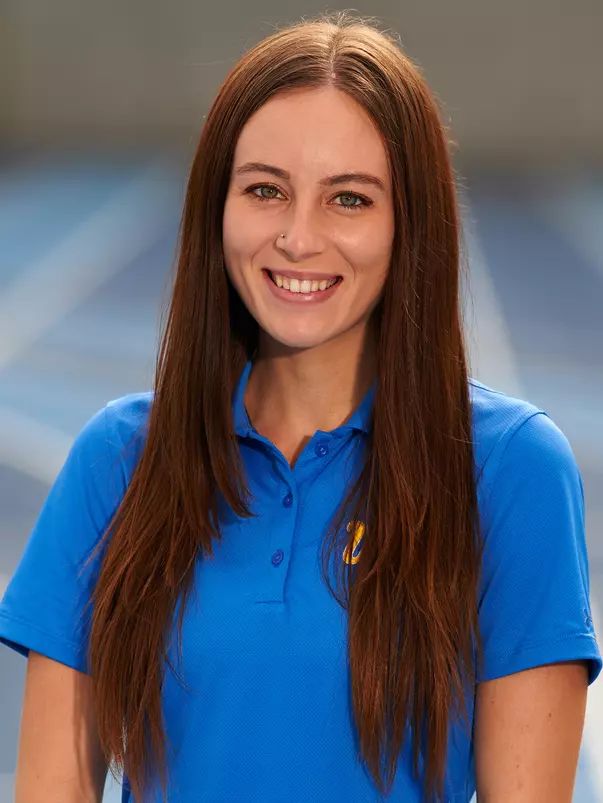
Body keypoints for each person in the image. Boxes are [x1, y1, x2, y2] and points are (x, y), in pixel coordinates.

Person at [0, 12, 600, 803]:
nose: (296, 236)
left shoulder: (509, 467)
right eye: (264, 190)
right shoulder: (119, 459)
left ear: (408, 223)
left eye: (348, 200)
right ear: (216, 209)